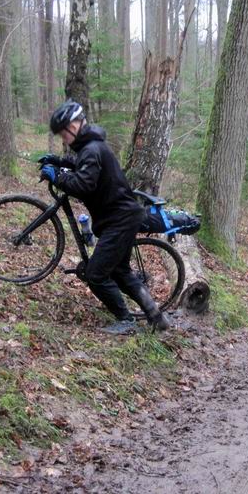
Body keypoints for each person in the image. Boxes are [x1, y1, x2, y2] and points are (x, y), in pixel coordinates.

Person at [38, 100, 169, 335]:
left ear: (74, 127)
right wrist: (59, 161)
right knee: (120, 271)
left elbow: (84, 184)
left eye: (62, 134)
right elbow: (83, 166)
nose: (62, 139)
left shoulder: (91, 149)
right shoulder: (91, 146)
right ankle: (156, 317)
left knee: (96, 274)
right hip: (122, 216)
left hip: (119, 220)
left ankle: (126, 320)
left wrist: (56, 176)